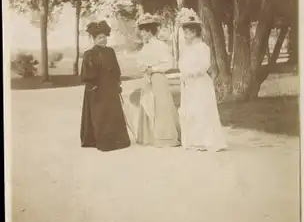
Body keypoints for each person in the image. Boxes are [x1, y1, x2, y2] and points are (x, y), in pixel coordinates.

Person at [178, 9, 227, 152]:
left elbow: (204, 65)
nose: (186, 35)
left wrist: (191, 72)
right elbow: (182, 64)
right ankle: (194, 140)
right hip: (189, 83)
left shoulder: (202, 48)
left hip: (199, 82)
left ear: (194, 32)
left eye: (188, 32)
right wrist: (185, 74)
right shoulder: (187, 49)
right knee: (191, 110)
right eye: (185, 32)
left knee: (202, 109)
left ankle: (206, 140)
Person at [80, 20, 131, 152]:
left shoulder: (110, 51)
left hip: (110, 87)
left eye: (104, 37)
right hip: (97, 88)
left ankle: (118, 140)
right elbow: (87, 74)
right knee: (101, 115)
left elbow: (116, 69)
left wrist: (116, 82)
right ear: (94, 39)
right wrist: (94, 84)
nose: (102, 40)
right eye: (99, 38)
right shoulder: (90, 54)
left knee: (113, 113)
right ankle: (103, 141)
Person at [136, 13, 180, 147]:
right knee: (148, 103)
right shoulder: (146, 46)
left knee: (160, 105)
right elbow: (140, 63)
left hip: (158, 79)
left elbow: (169, 64)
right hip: (148, 79)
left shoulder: (161, 46)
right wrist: (144, 68)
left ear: (150, 31)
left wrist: (153, 69)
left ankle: (164, 137)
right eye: (141, 31)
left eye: (144, 31)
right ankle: (149, 136)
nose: (142, 33)